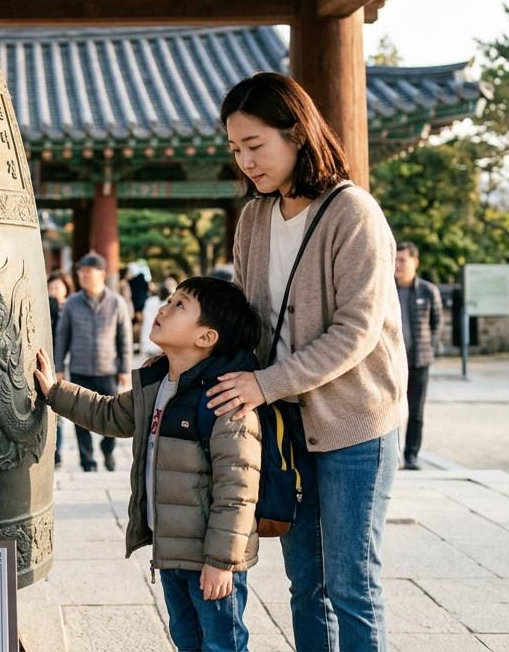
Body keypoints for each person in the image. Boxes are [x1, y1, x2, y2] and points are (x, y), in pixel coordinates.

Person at [206, 72, 407, 651]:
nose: (245, 161)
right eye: (234, 149)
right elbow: (248, 317)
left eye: (255, 145)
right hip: (286, 426)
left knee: (352, 584)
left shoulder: (354, 213)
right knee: (304, 584)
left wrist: (266, 383)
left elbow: (357, 331)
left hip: (355, 424)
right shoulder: (253, 219)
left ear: (297, 134)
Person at [32, 277, 263, 652]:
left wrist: (222, 562)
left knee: (223, 645)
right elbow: (108, 414)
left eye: (179, 306)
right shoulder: (157, 386)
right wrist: (55, 392)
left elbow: (237, 491)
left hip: (211, 560)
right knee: (187, 641)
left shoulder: (225, 401)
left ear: (206, 337)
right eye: (169, 300)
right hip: (172, 551)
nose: (163, 308)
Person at [54, 252, 132, 472]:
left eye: (89, 272)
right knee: (80, 419)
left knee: (112, 416)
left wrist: (124, 369)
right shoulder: (71, 303)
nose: (83, 275)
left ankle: (108, 449)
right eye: (81, 272)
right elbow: (62, 337)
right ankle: (88, 462)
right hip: (79, 369)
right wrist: (59, 367)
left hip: (107, 370)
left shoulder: (117, 303)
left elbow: (124, 338)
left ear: (103, 275)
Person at [395, 242, 441, 470]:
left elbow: (436, 324)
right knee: (389, 410)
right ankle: (392, 455)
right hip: (392, 362)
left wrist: (429, 348)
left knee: (416, 411)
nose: (397, 265)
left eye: (402, 260)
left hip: (419, 360)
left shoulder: (428, 291)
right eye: (395, 260)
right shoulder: (386, 289)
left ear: (415, 262)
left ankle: (411, 454)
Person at [46, 271, 71, 468]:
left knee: (60, 407)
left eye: (58, 287)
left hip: (65, 365)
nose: (54, 291)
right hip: (47, 362)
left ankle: (58, 451)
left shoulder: (70, 309)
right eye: (51, 287)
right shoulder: (44, 308)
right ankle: (52, 451)